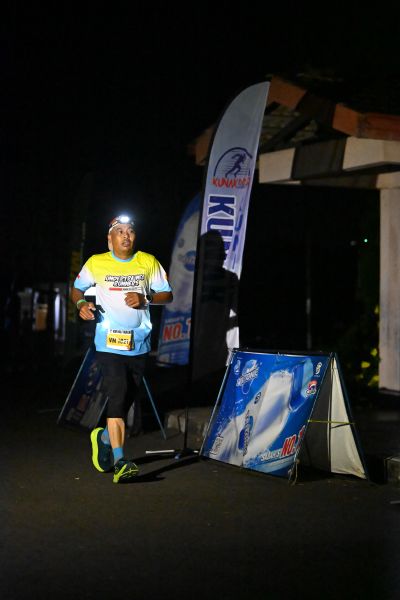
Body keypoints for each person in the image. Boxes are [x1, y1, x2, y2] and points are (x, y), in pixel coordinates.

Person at [71, 214, 173, 483]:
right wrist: (81, 305)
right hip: (108, 344)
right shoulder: (97, 262)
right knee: (117, 395)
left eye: (130, 231)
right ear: (110, 238)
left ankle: (104, 438)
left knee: (127, 398)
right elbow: (77, 289)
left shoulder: (148, 261)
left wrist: (146, 298)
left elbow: (168, 294)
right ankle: (120, 461)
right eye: (120, 231)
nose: (126, 236)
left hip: (139, 344)